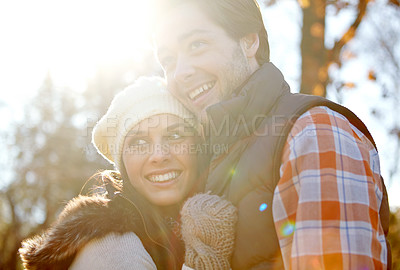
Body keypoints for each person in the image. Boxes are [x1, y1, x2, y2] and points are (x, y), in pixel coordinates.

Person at [154, 0, 392, 269]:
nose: (181, 72)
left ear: (249, 42)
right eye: (168, 61)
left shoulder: (313, 132)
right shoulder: (210, 159)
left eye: (197, 45)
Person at [19, 76, 238, 270]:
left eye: (174, 136)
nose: (159, 155)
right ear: (122, 163)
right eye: (139, 142)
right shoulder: (113, 250)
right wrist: (206, 261)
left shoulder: (217, 211)